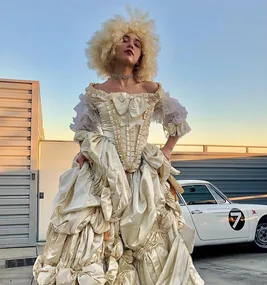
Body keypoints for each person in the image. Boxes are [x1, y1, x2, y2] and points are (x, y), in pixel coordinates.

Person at [33, 7, 205, 285]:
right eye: (125, 40)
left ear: (142, 56)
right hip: (103, 172)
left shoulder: (151, 89)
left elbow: (177, 119)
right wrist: (83, 152)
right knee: (93, 234)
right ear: (109, 47)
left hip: (143, 175)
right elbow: (84, 130)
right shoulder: (96, 91)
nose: (131, 45)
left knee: (153, 237)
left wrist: (167, 149)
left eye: (137, 44)